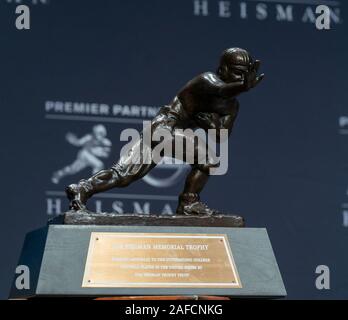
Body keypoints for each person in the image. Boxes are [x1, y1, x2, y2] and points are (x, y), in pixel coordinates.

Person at [66, 48, 264, 215]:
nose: (242, 78)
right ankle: (188, 203)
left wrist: (212, 126)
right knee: (206, 159)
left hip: (172, 134)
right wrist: (242, 87)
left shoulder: (232, 107)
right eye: (238, 72)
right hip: (164, 128)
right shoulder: (207, 80)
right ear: (223, 69)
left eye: (246, 74)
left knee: (125, 176)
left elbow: (221, 135)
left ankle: (82, 188)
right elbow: (221, 90)